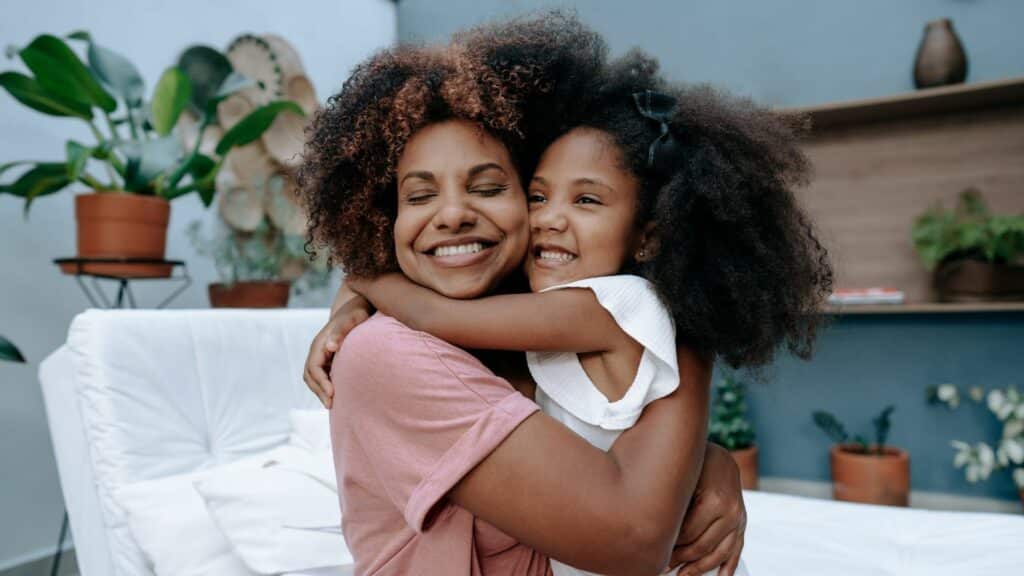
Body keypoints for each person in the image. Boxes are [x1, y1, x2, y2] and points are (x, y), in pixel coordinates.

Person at [339, 46, 832, 576]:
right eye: (539, 197)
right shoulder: (390, 351)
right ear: (381, 216)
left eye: (489, 187)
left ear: (649, 235)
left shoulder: (608, 306)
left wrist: (363, 276)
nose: (456, 214)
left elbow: (435, 317)